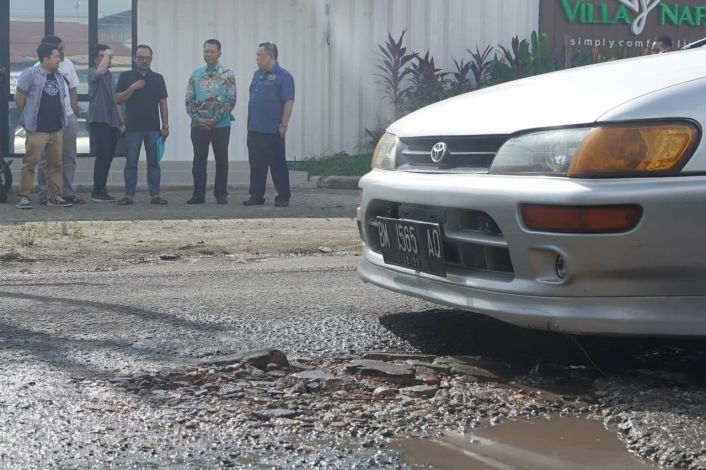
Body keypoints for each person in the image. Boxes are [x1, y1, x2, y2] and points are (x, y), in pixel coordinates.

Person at [14, 43, 72, 209]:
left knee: (55, 165)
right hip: (37, 129)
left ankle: (54, 196)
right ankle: (23, 197)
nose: (59, 59)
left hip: (56, 128)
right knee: (30, 163)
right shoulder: (30, 74)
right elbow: (19, 97)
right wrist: (27, 117)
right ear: (45, 58)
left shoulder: (59, 76)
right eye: (55, 56)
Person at [115, 44, 169, 205]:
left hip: (153, 128)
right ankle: (129, 195)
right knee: (131, 163)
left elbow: (163, 103)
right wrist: (132, 87)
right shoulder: (126, 77)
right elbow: (118, 100)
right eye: (141, 58)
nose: (144, 61)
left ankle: (155, 195)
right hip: (132, 128)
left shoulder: (158, 78)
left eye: (147, 58)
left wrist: (165, 126)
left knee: (154, 164)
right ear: (134, 59)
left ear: (151, 60)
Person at [185, 39, 236, 204]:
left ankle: (221, 194)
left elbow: (231, 100)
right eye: (206, 51)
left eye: (212, 51)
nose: (208, 54)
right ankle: (198, 195)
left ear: (219, 54)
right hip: (198, 125)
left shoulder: (228, 74)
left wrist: (214, 120)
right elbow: (189, 99)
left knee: (221, 160)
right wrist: (197, 118)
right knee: (199, 161)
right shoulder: (196, 74)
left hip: (221, 125)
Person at [244, 42, 294, 207]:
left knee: (277, 164)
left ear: (270, 57)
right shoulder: (256, 74)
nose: (257, 58)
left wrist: (284, 124)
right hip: (254, 128)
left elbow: (288, 101)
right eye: (257, 55)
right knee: (256, 165)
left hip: (273, 129)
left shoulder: (284, 76)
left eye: (260, 55)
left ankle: (283, 196)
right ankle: (256, 196)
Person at [36, 35, 83, 206]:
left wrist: (74, 110)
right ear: (49, 52)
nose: (63, 53)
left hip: (68, 117)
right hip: (47, 121)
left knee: (69, 157)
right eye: (59, 50)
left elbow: (72, 89)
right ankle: (44, 193)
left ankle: (68, 192)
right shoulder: (36, 69)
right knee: (46, 159)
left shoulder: (68, 65)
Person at [88, 44, 124, 203]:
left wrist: (121, 121)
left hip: (112, 122)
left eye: (109, 56)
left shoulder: (110, 76)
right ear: (96, 58)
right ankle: (97, 191)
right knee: (102, 155)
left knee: (108, 156)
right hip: (99, 120)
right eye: (104, 56)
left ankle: (102, 189)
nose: (109, 59)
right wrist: (108, 53)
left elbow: (115, 101)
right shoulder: (92, 72)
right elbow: (99, 72)